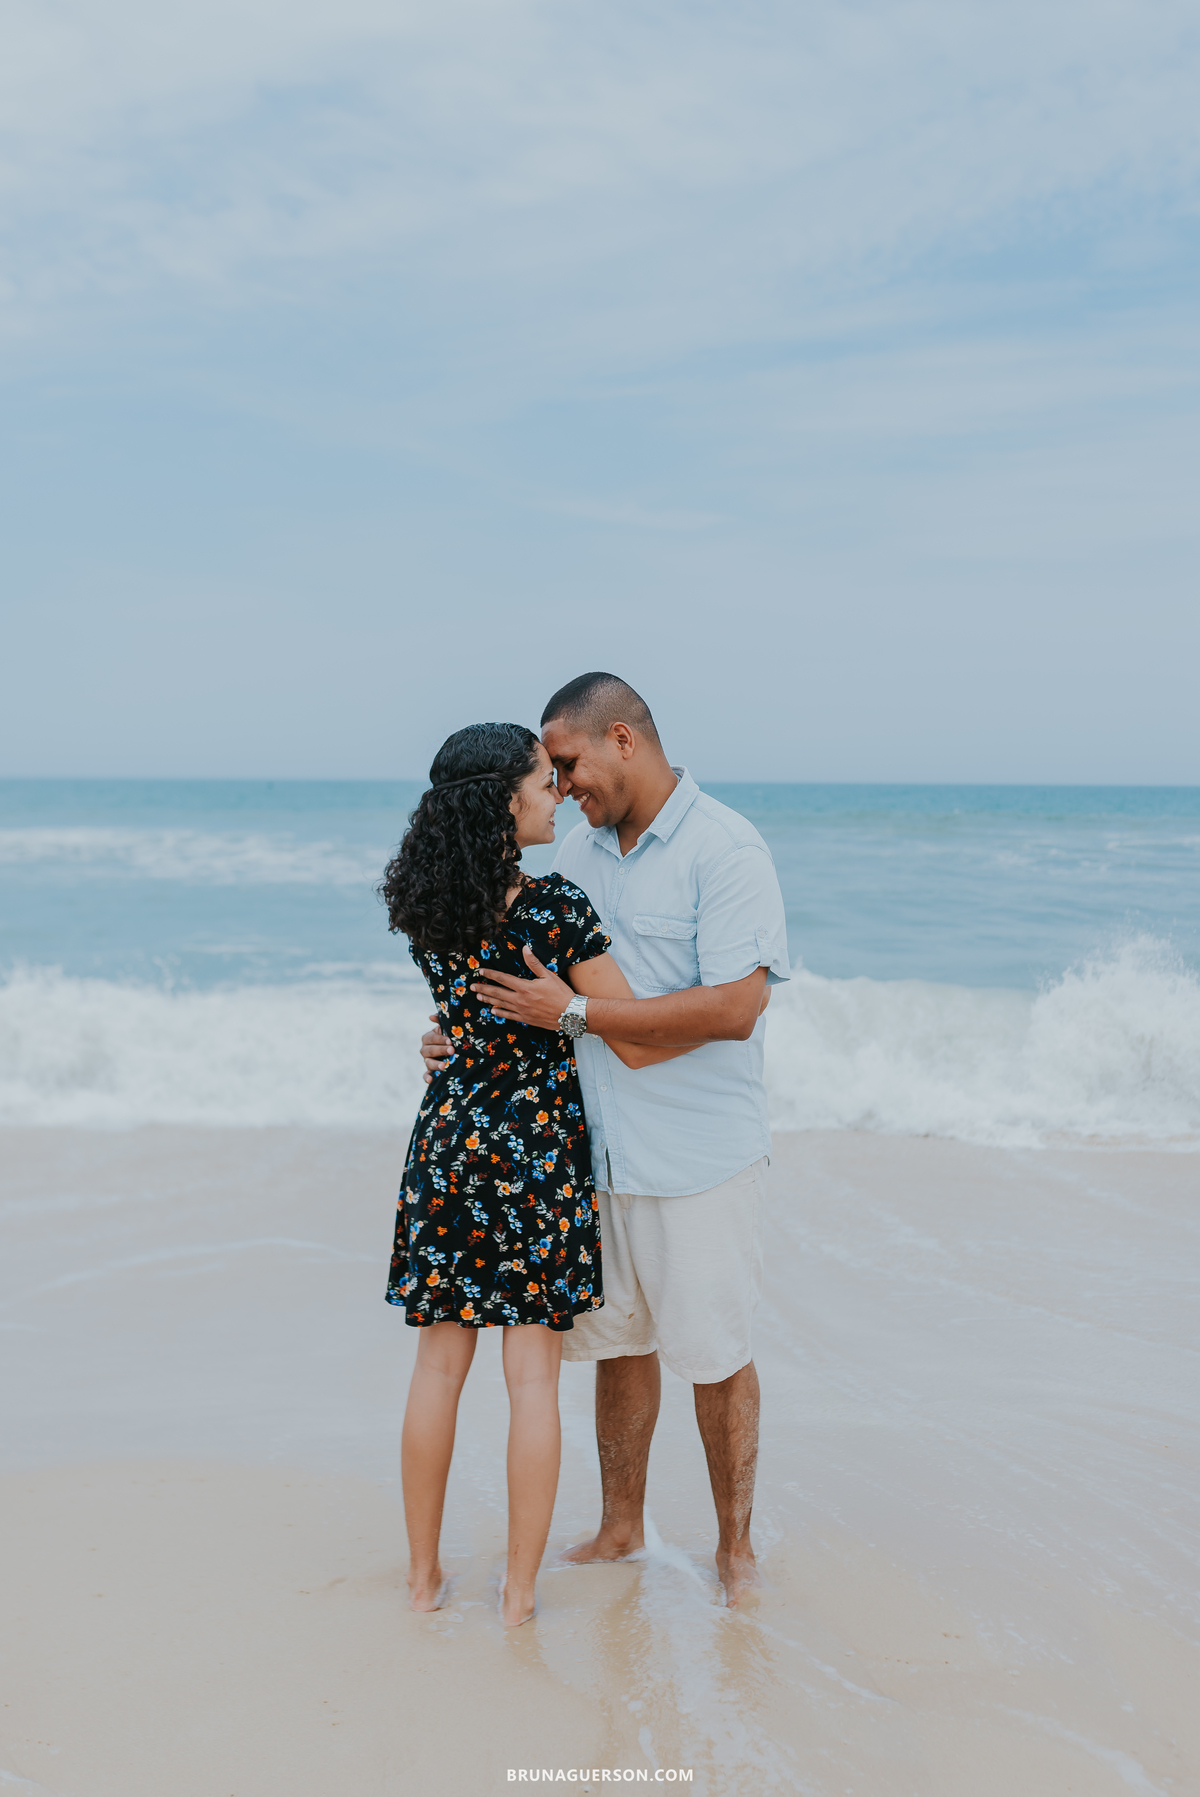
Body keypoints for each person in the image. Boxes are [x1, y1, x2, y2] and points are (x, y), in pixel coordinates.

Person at [421, 675, 790, 1606]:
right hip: (585, 1148)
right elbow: (517, 973)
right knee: (619, 1343)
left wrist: (577, 1014)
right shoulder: (575, 851)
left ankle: (735, 1550)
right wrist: (460, 1037)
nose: (561, 784)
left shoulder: (725, 848)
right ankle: (621, 1524)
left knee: (713, 1351)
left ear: (621, 739)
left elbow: (738, 1007)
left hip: (696, 1152)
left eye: (568, 763)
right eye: (548, 773)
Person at [380, 720, 697, 1628]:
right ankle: (518, 1595)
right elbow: (629, 1023)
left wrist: (449, 1039)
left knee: (436, 1371)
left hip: (449, 1142)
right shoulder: (553, 906)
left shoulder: (430, 904)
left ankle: (422, 1580)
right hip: (533, 1153)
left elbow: (455, 1020)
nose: (555, 793)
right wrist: (571, 1012)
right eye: (540, 780)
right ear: (502, 800)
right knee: (531, 1383)